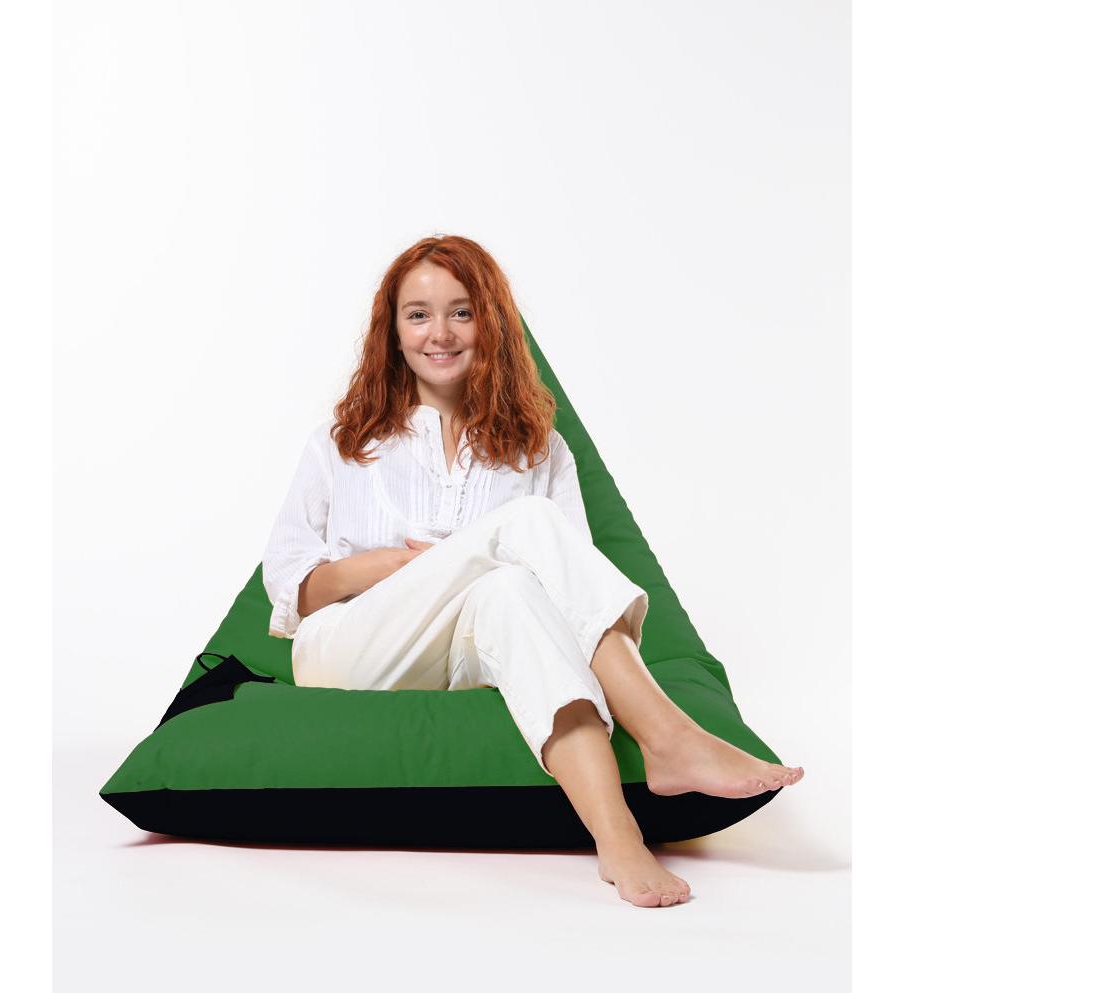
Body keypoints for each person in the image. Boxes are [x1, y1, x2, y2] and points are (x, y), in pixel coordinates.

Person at [261, 234, 804, 909]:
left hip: (466, 646)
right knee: (524, 527)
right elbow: (290, 583)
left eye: (461, 312)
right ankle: (667, 734)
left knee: (514, 589)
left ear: (490, 322)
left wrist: (470, 567)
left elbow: (567, 594)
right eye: (418, 315)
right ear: (392, 331)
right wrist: (390, 568)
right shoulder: (343, 440)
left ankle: (618, 838)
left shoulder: (539, 448)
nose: (440, 333)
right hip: (349, 646)